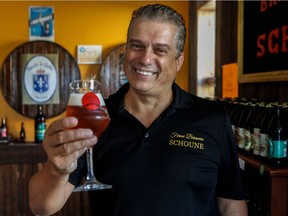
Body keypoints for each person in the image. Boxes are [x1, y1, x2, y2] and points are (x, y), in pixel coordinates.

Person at [29, 4, 248, 216]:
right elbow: (42, 207)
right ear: (126, 51)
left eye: (160, 50)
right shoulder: (97, 118)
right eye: (137, 46)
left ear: (178, 60)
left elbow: (231, 206)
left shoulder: (212, 119)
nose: (145, 59)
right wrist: (57, 170)